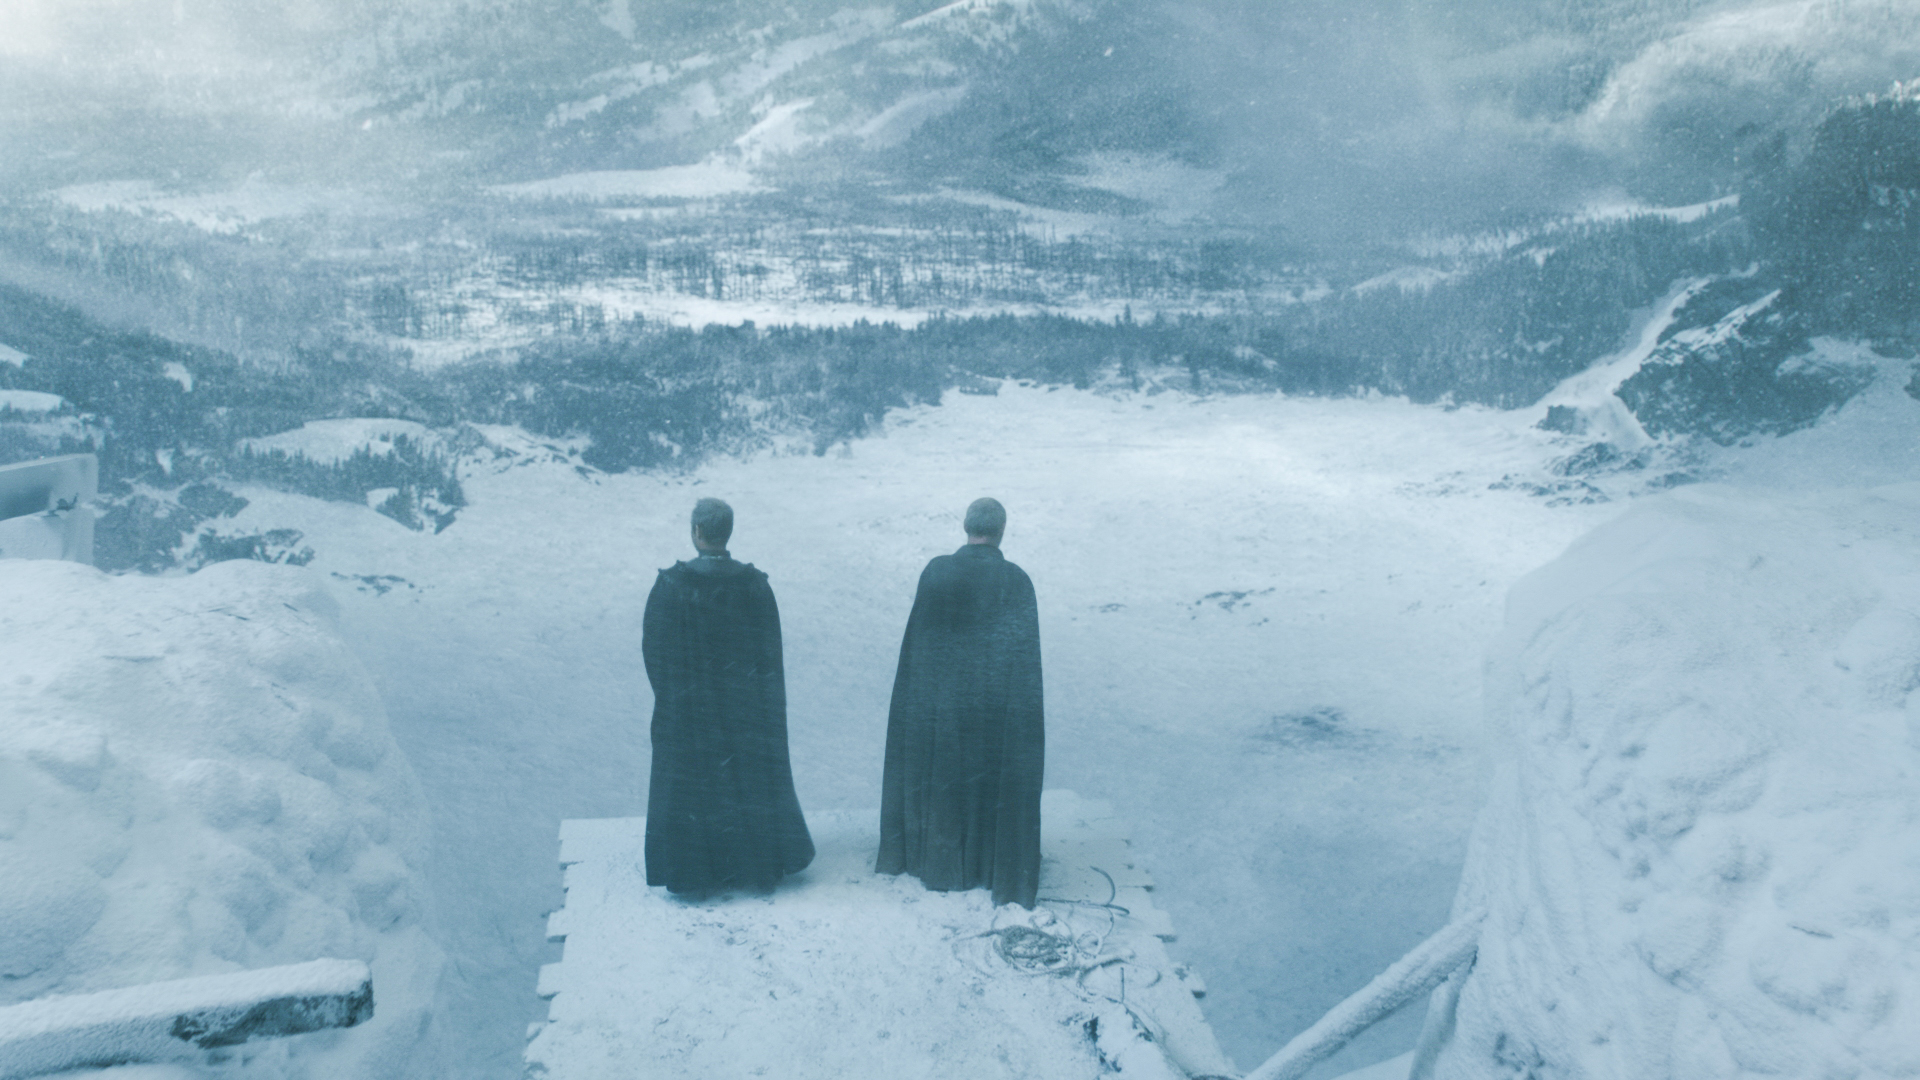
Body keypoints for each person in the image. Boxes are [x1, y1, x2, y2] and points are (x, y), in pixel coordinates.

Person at [876, 497, 1044, 908]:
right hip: (991, 710)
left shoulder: (937, 572)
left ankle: (937, 862)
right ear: (1001, 531)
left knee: (945, 782)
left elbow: (919, 648)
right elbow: (1024, 665)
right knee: (985, 783)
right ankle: (987, 865)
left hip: (942, 708)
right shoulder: (1016, 581)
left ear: (966, 527)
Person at [642, 497, 814, 895]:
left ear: (696, 531)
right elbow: (770, 657)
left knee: (695, 784)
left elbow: (655, 654)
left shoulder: (672, 587)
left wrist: (676, 700)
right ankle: (750, 865)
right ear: (727, 532)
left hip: (690, 709)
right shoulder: (754, 586)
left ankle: (696, 872)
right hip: (745, 711)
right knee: (744, 780)